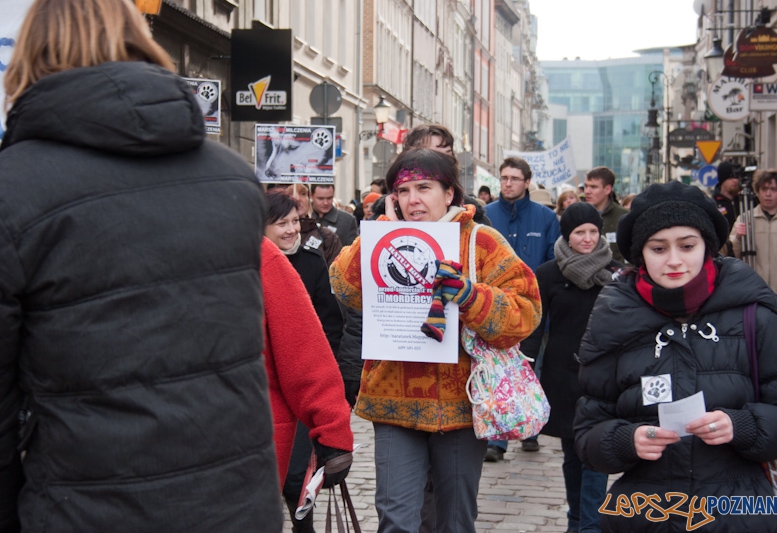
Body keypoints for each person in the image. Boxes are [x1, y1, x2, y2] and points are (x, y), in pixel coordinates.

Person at [0, 0, 283, 530]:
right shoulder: (233, 178)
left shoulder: (13, 188)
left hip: (89, 507)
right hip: (235, 503)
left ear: (30, 54)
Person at [330, 148, 541, 533]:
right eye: (403, 190)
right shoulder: (382, 237)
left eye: (424, 187)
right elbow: (344, 286)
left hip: (461, 407)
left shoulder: (481, 242)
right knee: (394, 518)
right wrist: (379, 230)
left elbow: (525, 313)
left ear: (449, 194)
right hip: (393, 402)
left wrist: (470, 296)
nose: (413, 199)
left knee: (455, 519)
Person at [574, 180, 777, 532]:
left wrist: (742, 426)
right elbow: (587, 434)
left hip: (741, 515)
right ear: (640, 254)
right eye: (659, 248)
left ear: (707, 247)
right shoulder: (613, 320)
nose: (675, 260)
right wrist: (624, 440)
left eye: (687, 245)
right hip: (646, 515)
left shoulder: (754, 316)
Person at [530, 203, 623, 533]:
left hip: (604, 375)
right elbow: (535, 326)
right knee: (572, 454)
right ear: (567, 237)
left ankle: (591, 526)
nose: (587, 239)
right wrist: (525, 368)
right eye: (579, 233)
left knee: (596, 454)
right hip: (561, 374)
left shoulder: (615, 275)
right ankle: (576, 520)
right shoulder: (548, 274)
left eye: (593, 232)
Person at [262, 192, 351, 532]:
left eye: (293, 221)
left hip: (299, 384)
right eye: (280, 223)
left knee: (298, 473)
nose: (289, 230)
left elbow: (328, 324)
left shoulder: (310, 261)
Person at [483, 156, 559, 460]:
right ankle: (497, 440)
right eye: (504, 178)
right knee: (497, 370)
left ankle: (530, 429)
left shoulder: (545, 218)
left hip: (533, 306)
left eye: (514, 178)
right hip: (494, 305)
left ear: (527, 182)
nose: (508, 183)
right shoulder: (486, 215)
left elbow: (554, 260)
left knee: (532, 366)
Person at [730, 170, 777, 311]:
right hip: (754, 293)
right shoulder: (745, 219)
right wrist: (738, 238)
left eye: (773, 189)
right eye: (764, 189)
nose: (768, 194)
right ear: (757, 191)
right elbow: (732, 256)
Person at [583, 166, 629, 263]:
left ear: (607, 189)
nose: (587, 191)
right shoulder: (578, 215)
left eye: (593, 187)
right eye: (586, 186)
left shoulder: (624, 216)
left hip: (616, 275)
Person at [712, 161, 741, 253]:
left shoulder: (745, 200)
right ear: (722, 180)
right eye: (731, 177)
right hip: (725, 251)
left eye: (737, 177)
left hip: (744, 249)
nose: (735, 181)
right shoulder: (714, 204)